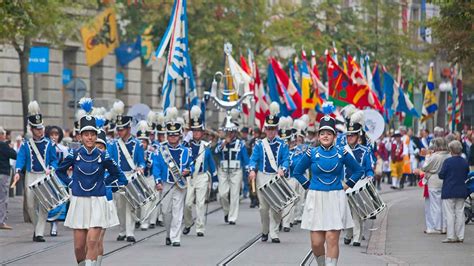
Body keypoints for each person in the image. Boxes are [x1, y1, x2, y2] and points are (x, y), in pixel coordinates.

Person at [56, 113, 127, 266]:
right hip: (79, 200)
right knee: (79, 247)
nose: (89, 138)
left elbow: (118, 174)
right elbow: (59, 171)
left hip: (98, 200)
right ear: (80, 137)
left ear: (96, 136)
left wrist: (103, 183)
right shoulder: (74, 154)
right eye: (86, 135)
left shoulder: (103, 155)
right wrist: (70, 183)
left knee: (93, 241)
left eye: (92, 134)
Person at [293, 115, 364, 266]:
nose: (326, 136)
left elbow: (358, 170)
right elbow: (297, 172)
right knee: (317, 243)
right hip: (316, 197)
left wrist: (348, 184)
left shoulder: (341, 153)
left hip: (335, 198)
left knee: (332, 238)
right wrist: (309, 186)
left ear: (334, 136)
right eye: (323, 133)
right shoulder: (311, 153)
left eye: (329, 133)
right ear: (318, 136)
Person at [13, 101, 58, 242]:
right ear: (31, 130)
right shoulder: (26, 145)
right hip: (31, 175)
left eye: (41, 128)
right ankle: (37, 227)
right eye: (37, 129)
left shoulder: (50, 144)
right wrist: (18, 171)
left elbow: (54, 160)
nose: (40, 131)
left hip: (43, 176)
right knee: (31, 205)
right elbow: (20, 159)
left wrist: (51, 168)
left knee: (44, 204)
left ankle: (39, 233)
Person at [248, 102, 289, 243]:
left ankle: (274, 232)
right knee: (263, 208)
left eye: (273, 129)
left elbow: (286, 160)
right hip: (262, 177)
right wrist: (252, 170)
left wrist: (282, 169)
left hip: (276, 177)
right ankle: (265, 230)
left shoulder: (283, 144)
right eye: (268, 129)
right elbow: (253, 159)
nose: (271, 131)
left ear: (277, 129)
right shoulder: (259, 144)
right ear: (265, 129)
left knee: (277, 207)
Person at [152, 107, 193, 247]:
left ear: (180, 135)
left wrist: (188, 170)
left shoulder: (186, 151)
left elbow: (191, 165)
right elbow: (156, 167)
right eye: (170, 135)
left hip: (180, 185)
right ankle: (169, 233)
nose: (172, 137)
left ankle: (175, 237)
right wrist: (157, 181)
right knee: (165, 211)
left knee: (178, 210)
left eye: (175, 135)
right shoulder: (160, 150)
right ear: (167, 135)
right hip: (166, 183)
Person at [107, 100, 145, 242]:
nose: (119, 132)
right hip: (118, 177)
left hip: (131, 176)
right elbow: (109, 160)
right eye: (118, 129)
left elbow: (141, 161)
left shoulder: (138, 144)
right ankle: (122, 230)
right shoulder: (113, 144)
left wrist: (140, 167)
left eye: (122, 129)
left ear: (128, 129)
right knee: (120, 206)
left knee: (130, 205)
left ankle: (130, 232)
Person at [183, 106, 217, 237]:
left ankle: (200, 228)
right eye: (194, 131)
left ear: (202, 133)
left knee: (200, 204)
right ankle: (187, 223)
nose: (196, 133)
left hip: (202, 177)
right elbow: (181, 155)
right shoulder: (187, 145)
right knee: (187, 204)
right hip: (190, 178)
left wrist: (215, 179)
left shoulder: (205, 146)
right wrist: (186, 140)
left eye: (198, 131)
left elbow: (211, 164)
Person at [343, 111, 374, 247]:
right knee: (345, 213)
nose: (350, 137)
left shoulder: (365, 151)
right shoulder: (341, 150)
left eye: (352, 135)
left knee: (356, 213)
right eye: (348, 135)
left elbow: (368, 168)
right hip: (344, 184)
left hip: (358, 184)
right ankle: (349, 233)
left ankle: (357, 237)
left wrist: (370, 176)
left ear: (357, 135)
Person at [215, 109, 249, 225]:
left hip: (236, 170)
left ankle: (232, 217)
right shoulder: (221, 142)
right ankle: (226, 211)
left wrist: (249, 171)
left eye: (231, 132)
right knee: (222, 194)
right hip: (223, 170)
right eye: (227, 132)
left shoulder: (241, 143)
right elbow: (216, 151)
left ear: (235, 133)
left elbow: (245, 159)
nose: (229, 134)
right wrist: (224, 142)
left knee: (234, 194)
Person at [439, 140, 470, 243]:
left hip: (449, 190)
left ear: (451, 150)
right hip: (461, 190)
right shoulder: (464, 161)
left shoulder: (447, 161)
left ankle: (451, 236)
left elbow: (441, 175)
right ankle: (460, 236)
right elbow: (466, 174)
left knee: (450, 214)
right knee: (460, 213)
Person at [419, 138, 450, 234]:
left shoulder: (435, 156)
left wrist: (427, 156)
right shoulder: (448, 155)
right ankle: (444, 226)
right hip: (445, 181)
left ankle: (437, 226)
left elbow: (425, 167)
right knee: (444, 205)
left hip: (434, 181)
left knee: (435, 206)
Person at [45, 125, 69, 236]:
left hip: (60, 178)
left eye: (56, 134)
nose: (54, 137)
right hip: (48, 177)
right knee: (50, 201)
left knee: (60, 201)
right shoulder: (46, 147)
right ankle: (50, 225)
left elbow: (68, 165)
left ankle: (55, 225)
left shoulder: (63, 149)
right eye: (52, 134)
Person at [0, 127, 17, 230]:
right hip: (2, 173)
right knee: (2, 198)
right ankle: (1, 222)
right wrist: (9, 146)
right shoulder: (3, 145)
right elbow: (14, 155)